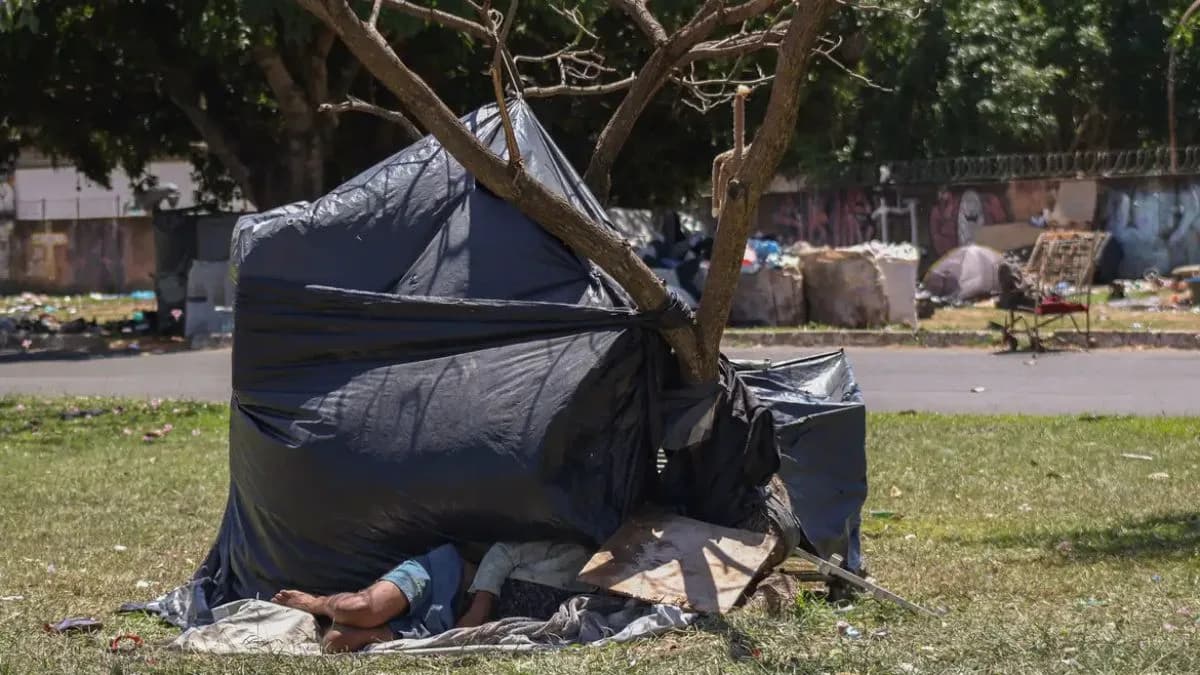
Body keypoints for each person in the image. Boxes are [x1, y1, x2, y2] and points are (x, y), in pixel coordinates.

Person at [273, 541, 592, 652]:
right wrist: (481, 604)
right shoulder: (577, 555)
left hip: (445, 625)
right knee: (362, 608)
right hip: (444, 576)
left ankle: (367, 630)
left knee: (336, 643)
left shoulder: (597, 601)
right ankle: (316, 603)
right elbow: (503, 552)